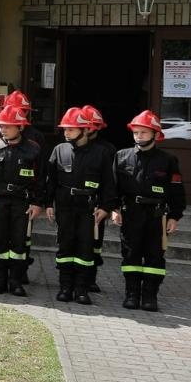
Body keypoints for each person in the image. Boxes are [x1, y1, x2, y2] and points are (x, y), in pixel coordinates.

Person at [111, 110, 185, 312]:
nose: (139, 136)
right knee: (131, 255)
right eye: (136, 132)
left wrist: (174, 216)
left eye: (144, 132)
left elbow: (177, 191)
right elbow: (113, 188)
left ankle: (150, 296)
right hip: (131, 213)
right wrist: (114, 209)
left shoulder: (168, 160)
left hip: (156, 216)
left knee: (155, 257)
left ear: (155, 134)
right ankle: (132, 294)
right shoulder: (121, 156)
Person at [42, 107, 114, 305]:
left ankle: (82, 290)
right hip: (65, 207)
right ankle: (65, 288)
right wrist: (48, 203)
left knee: (85, 250)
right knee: (65, 247)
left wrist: (106, 207)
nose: (66, 133)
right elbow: (51, 180)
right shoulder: (59, 150)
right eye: (65, 129)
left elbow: (109, 183)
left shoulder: (101, 153)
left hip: (88, 209)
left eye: (71, 129)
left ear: (85, 130)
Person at [0, 102, 43, 296]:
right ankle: (0, 280)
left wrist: (36, 202)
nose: (3, 129)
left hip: (22, 203)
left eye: (7, 126)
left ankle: (16, 281)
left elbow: (39, 178)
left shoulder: (33, 149)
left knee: (18, 244)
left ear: (20, 127)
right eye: (1, 126)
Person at [77, 105, 115, 292]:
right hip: (74, 204)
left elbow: (110, 182)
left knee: (94, 243)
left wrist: (107, 206)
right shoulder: (71, 146)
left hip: (96, 205)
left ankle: (90, 278)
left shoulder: (107, 150)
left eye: (92, 126)